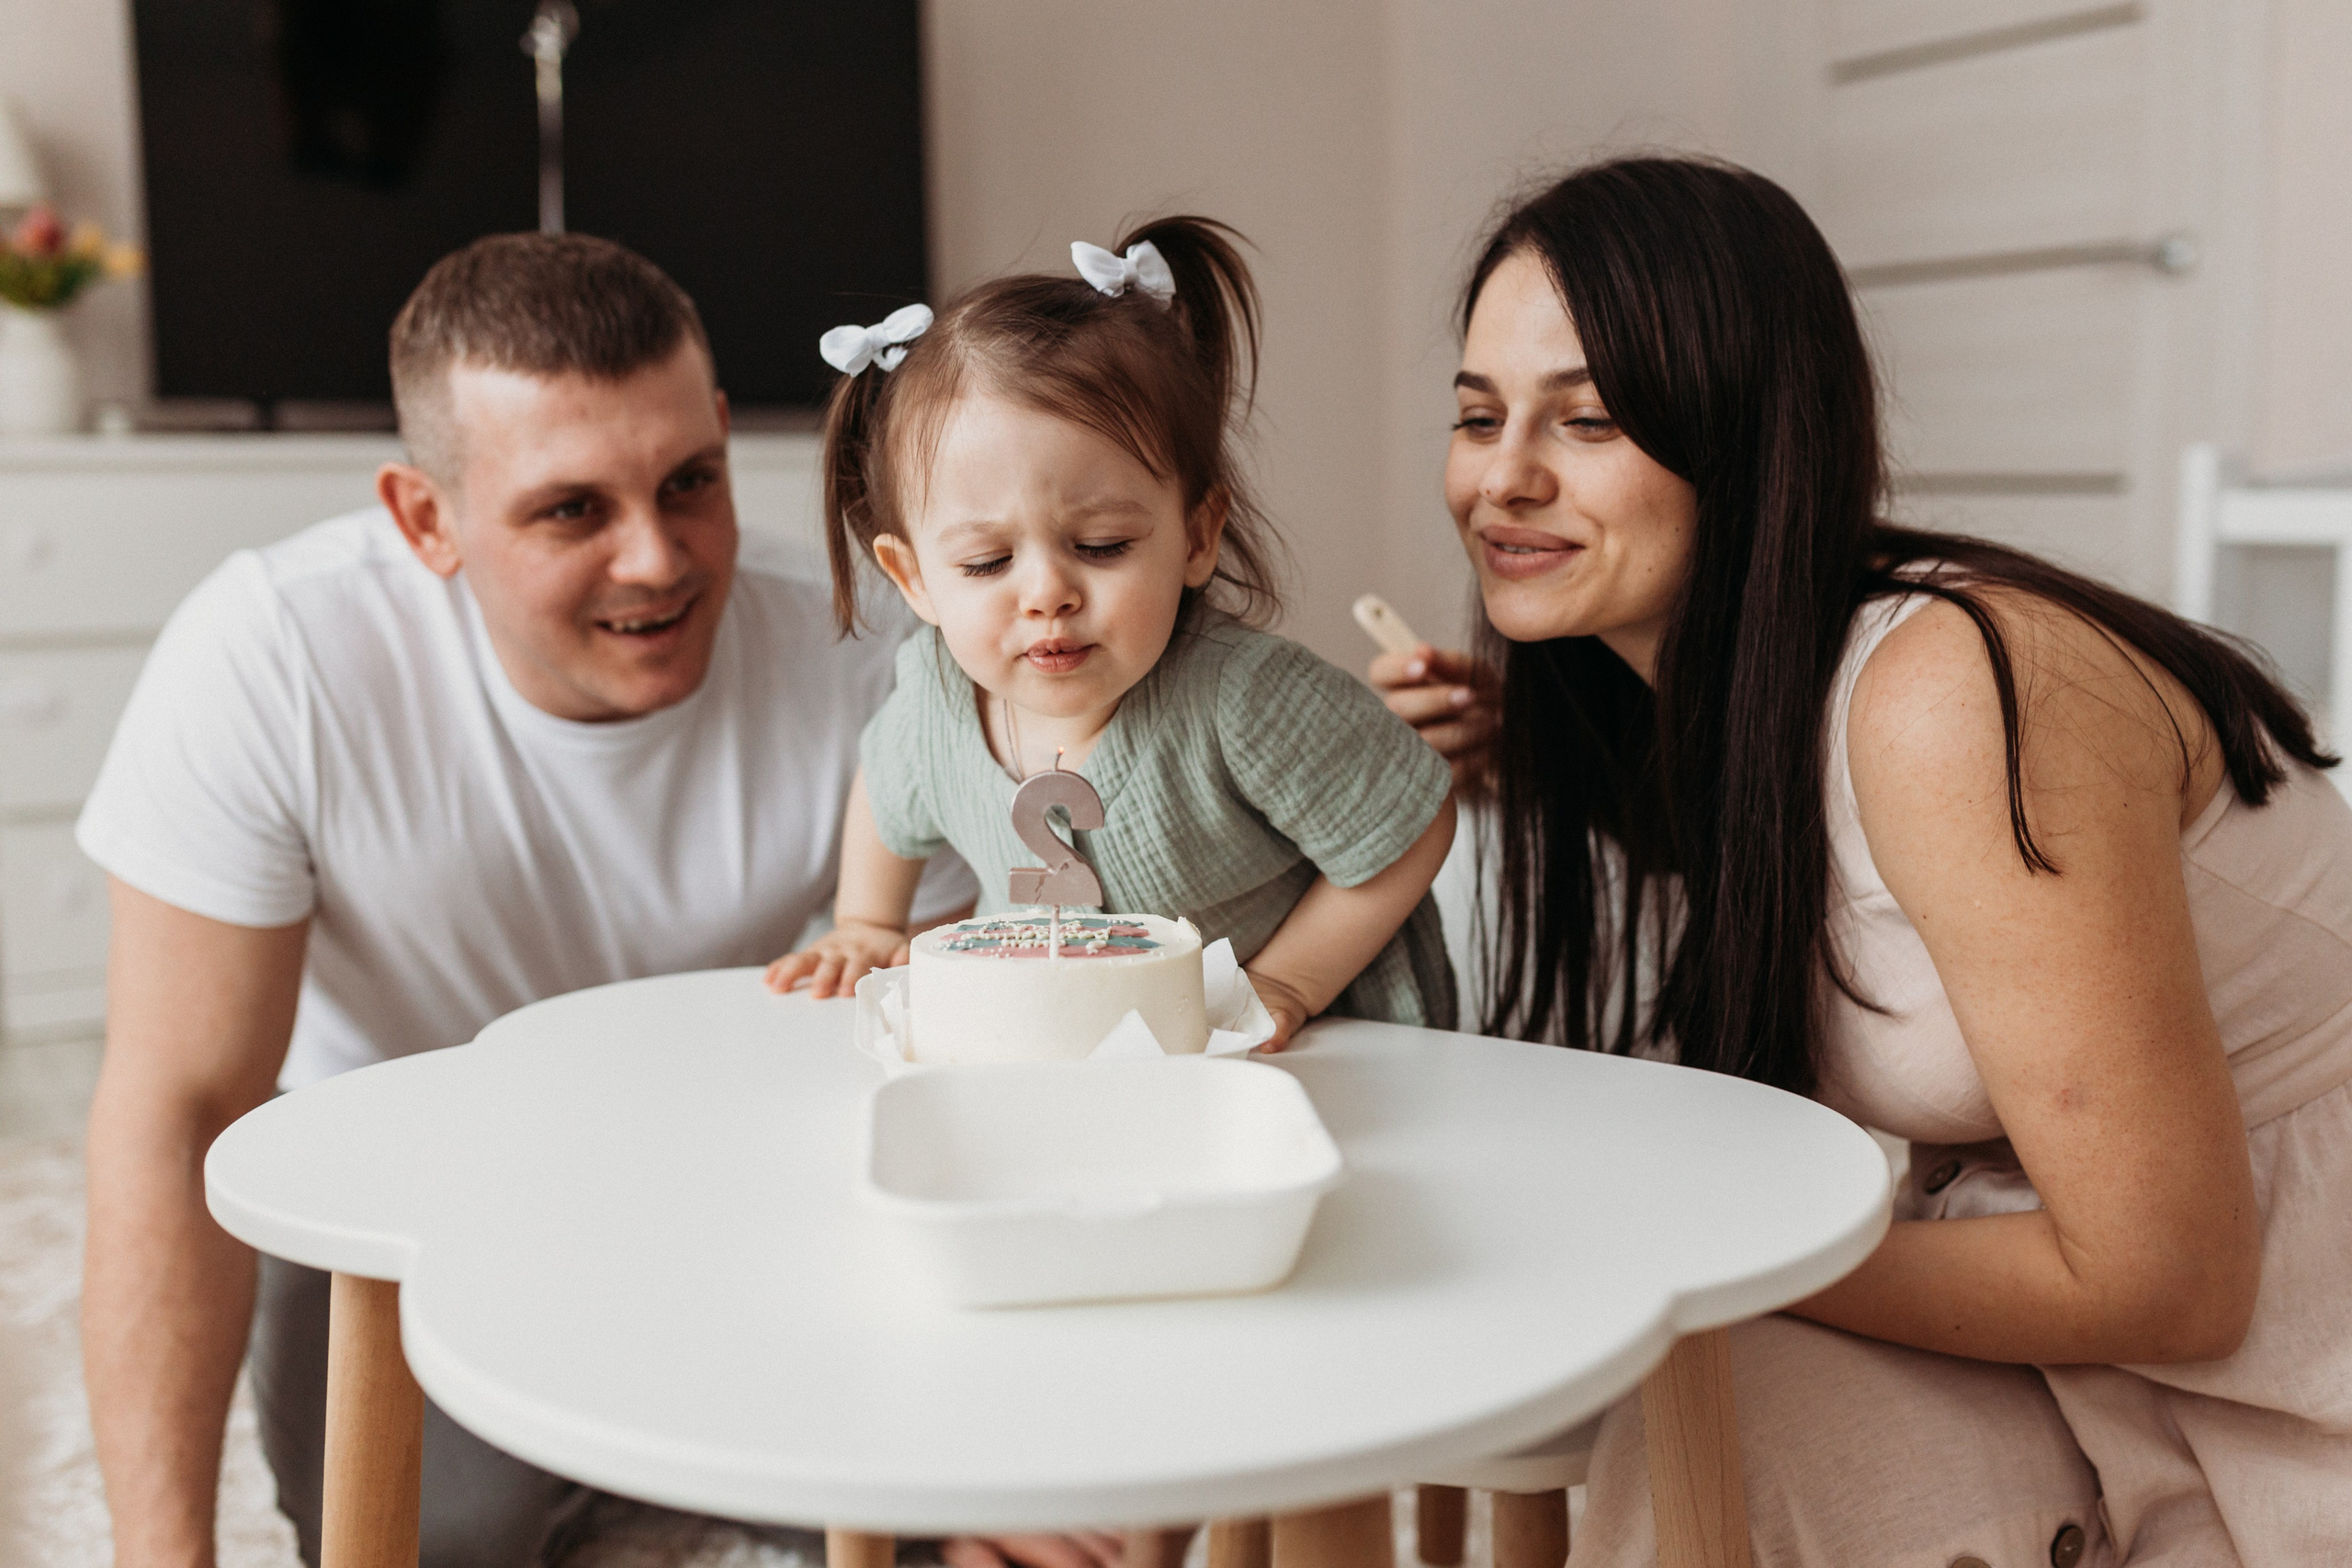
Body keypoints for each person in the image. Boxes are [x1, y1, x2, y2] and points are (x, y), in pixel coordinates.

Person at [1375, 157, 2352, 1565]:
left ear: (1747, 435)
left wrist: (1711, 1241)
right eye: (1478, 415)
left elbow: (2171, 1276)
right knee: (1708, 1426)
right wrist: (1533, 768)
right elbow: (1852, 895)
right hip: (2101, 1353)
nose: (1503, 477)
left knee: (1712, 1376)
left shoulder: (1953, 688)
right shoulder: (1733, 700)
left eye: (1588, 418)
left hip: (2280, 1350)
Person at [75, 233, 975, 1568]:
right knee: (432, 1542)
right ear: (425, 519)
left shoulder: (872, 656)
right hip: (406, 1211)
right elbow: (181, 1108)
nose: (657, 559)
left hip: (737, 1186)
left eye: (691, 482)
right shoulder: (273, 654)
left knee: (965, 1522)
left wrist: (1016, 1443)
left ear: (728, 437)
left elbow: (966, 1023)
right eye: (572, 510)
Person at [766, 217, 1458, 1051]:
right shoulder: (937, 696)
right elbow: (885, 787)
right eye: (987, 562)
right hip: (1072, 1047)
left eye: (1101, 547)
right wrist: (869, 919)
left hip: (1307, 1054)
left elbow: (1411, 826)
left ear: (1197, 536)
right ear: (913, 577)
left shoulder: (1242, 698)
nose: (1048, 593)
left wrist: (1289, 981)